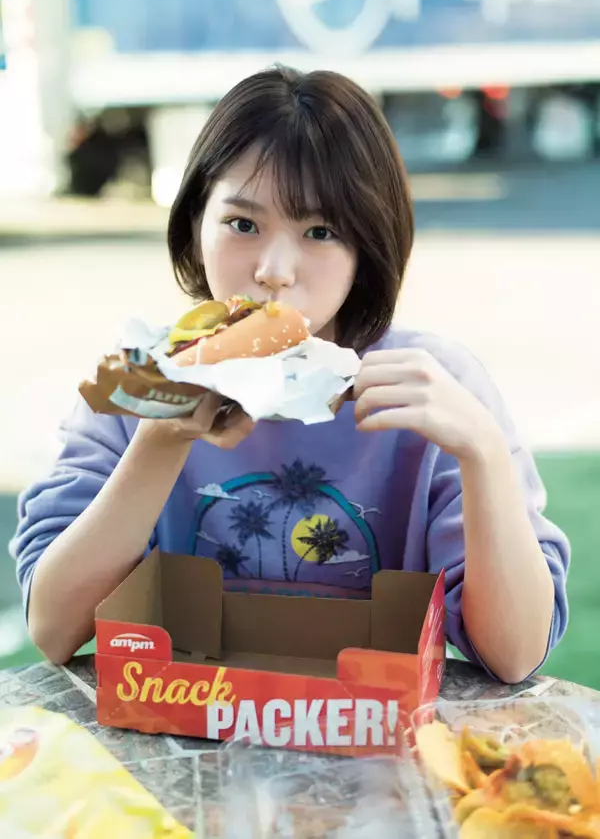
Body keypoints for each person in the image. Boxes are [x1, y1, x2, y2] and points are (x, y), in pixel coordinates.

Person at [10, 67, 569, 681]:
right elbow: (55, 628)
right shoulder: (144, 376)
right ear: (195, 221)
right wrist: (159, 441)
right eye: (243, 224)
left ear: (368, 249)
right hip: (181, 727)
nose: (275, 270)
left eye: (320, 232)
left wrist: (483, 453)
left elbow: (514, 654)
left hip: (375, 735)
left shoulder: (435, 387)